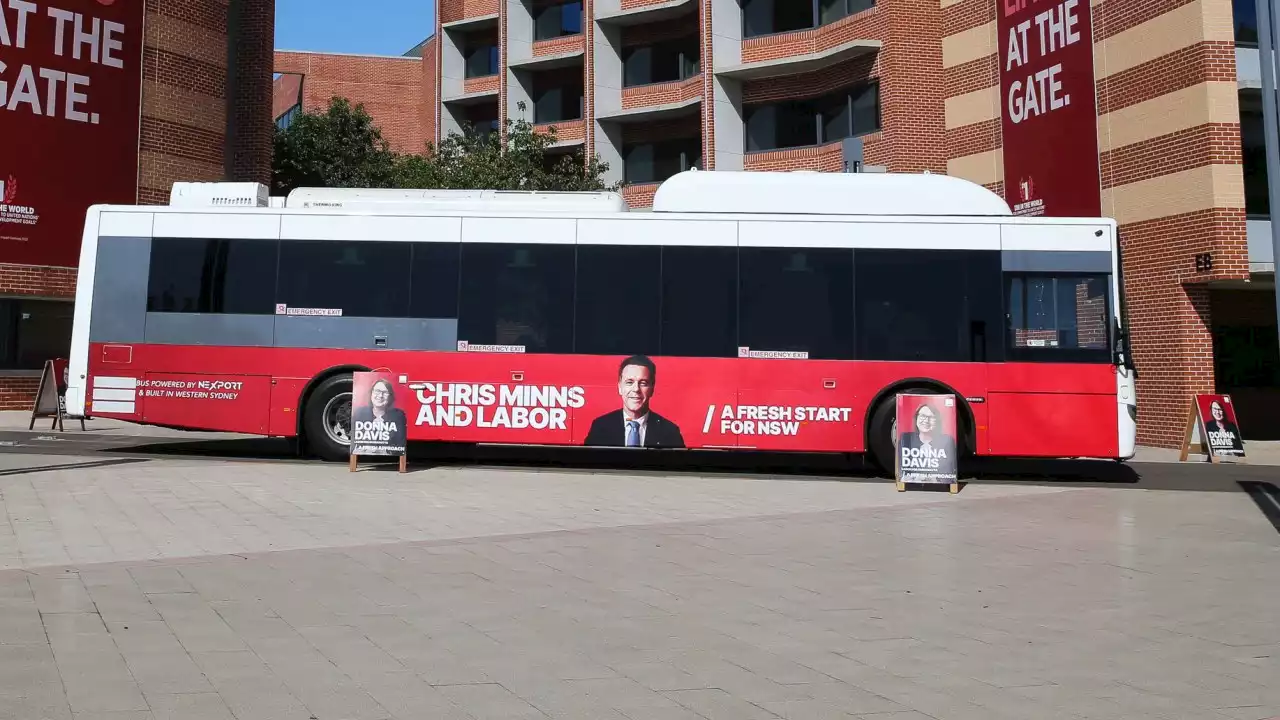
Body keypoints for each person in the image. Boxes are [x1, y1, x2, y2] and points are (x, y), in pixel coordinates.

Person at [584, 355, 685, 448]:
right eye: (629, 382)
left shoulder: (670, 431)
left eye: (643, 383)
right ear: (620, 387)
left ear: (652, 388)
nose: (636, 389)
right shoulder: (601, 426)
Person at [352, 378, 408, 450]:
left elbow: (399, 444)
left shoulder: (398, 416)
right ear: (371, 393)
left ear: (390, 397)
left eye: (385, 392)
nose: (380, 395)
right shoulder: (359, 413)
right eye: (377, 391)